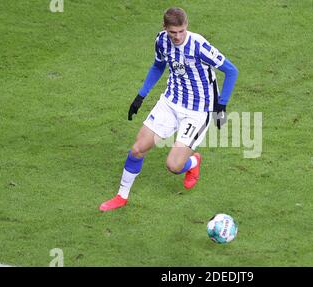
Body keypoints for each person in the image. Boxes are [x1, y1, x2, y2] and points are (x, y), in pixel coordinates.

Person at [99, 7, 238, 211]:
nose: (178, 36)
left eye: (181, 31)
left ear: (186, 26)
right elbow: (158, 66)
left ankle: (192, 163)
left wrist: (221, 106)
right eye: (173, 32)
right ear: (165, 28)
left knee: (173, 166)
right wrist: (141, 96)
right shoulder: (161, 41)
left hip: (198, 111)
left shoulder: (199, 46)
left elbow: (231, 71)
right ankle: (122, 196)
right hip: (170, 102)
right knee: (138, 148)